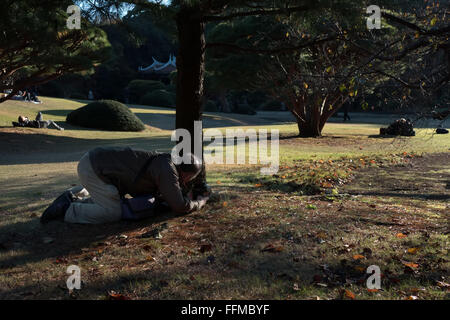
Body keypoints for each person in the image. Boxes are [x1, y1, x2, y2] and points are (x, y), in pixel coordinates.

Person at [40, 147, 209, 224]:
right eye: (189, 178)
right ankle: (67, 209)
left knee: (111, 198)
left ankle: (76, 194)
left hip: (96, 166)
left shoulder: (167, 163)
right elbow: (179, 206)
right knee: (112, 212)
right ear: (186, 174)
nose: (187, 182)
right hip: (94, 168)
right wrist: (199, 202)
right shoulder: (167, 169)